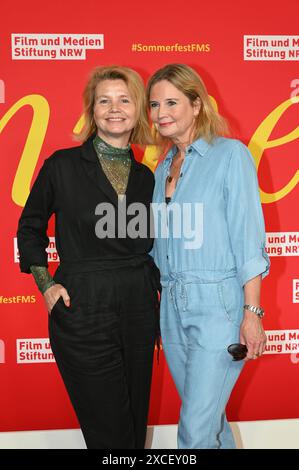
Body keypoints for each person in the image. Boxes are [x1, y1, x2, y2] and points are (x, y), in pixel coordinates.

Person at [17, 65, 160, 449]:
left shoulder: (148, 177)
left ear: (138, 110)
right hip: (83, 304)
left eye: (124, 99)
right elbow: (29, 228)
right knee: (108, 430)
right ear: (91, 110)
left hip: (138, 306)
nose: (115, 108)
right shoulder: (61, 166)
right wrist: (46, 284)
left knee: (133, 424)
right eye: (104, 101)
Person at [146, 64, 270, 449]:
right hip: (172, 305)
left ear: (196, 104)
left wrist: (253, 313)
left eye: (171, 102)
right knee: (210, 423)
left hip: (218, 304)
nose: (160, 112)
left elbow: (248, 237)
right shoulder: (161, 168)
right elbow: (155, 245)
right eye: (153, 104)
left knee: (195, 432)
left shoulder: (230, 155)